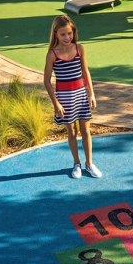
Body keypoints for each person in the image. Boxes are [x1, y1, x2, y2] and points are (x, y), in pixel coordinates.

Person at [43, 15, 102, 179]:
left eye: (69, 33)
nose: (67, 37)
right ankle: (77, 164)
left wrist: (91, 93)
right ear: (55, 34)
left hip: (81, 95)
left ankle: (89, 164)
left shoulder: (79, 48)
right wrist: (56, 103)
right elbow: (46, 81)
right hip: (65, 98)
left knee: (86, 130)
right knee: (72, 131)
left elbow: (86, 72)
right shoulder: (52, 54)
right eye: (63, 34)